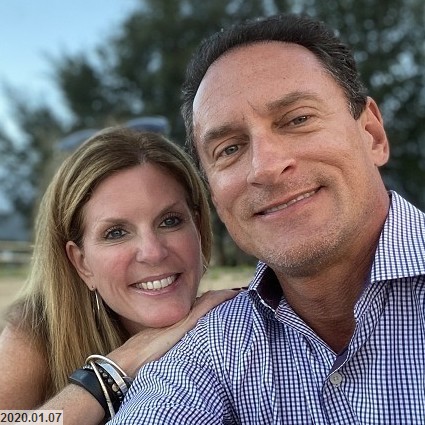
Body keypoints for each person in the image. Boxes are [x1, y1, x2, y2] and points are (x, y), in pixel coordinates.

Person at [108, 13, 425, 424]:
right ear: (214, 194)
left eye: (297, 120)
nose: (265, 167)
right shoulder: (209, 352)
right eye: (229, 148)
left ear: (372, 135)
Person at [0, 127, 239, 424]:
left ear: (198, 228)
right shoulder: (36, 334)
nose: (153, 252)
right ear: (82, 263)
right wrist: (114, 369)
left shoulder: (236, 330)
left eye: (170, 221)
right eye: (116, 233)